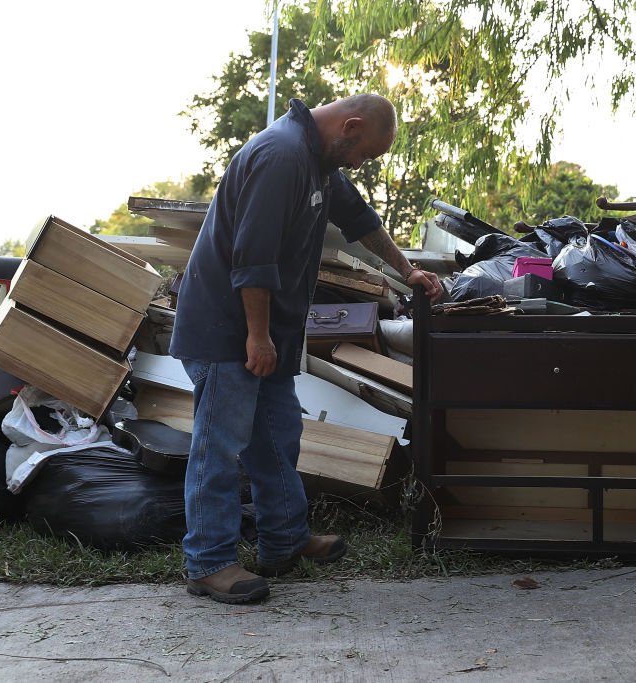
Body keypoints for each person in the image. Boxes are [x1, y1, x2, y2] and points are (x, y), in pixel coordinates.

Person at [169, 93, 443, 604]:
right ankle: (208, 563)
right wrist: (257, 335)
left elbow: (361, 222)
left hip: (266, 329)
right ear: (350, 126)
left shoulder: (318, 160)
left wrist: (407, 271)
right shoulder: (281, 156)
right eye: (364, 153)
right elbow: (251, 259)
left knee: (277, 435)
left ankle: (283, 541)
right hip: (227, 327)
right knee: (221, 444)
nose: (360, 164)